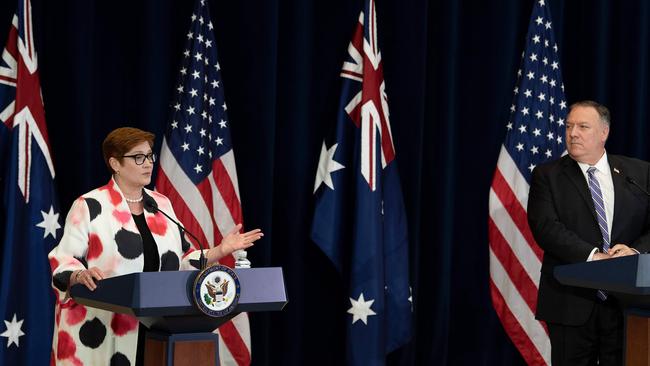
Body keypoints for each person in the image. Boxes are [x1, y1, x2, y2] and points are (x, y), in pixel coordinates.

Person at [48, 127, 263, 365]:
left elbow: (184, 258)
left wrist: (220, 251)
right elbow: (63, 259)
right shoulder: (89, 205)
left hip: (159, 328)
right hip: (104, 328)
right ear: (115, 163)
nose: (148, 163)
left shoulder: (160, 204)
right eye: (138, 157)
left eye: (150, 156)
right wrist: (79, 274)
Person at [528, 100, 650, 365]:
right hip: (570, 302)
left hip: (625, 305)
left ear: (604, 133)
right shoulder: (547, 175)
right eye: (569, 126)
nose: (573, 133)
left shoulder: (639, 173)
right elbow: (546, 228)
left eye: (583, 126)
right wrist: (595, 258)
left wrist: (635, 252)